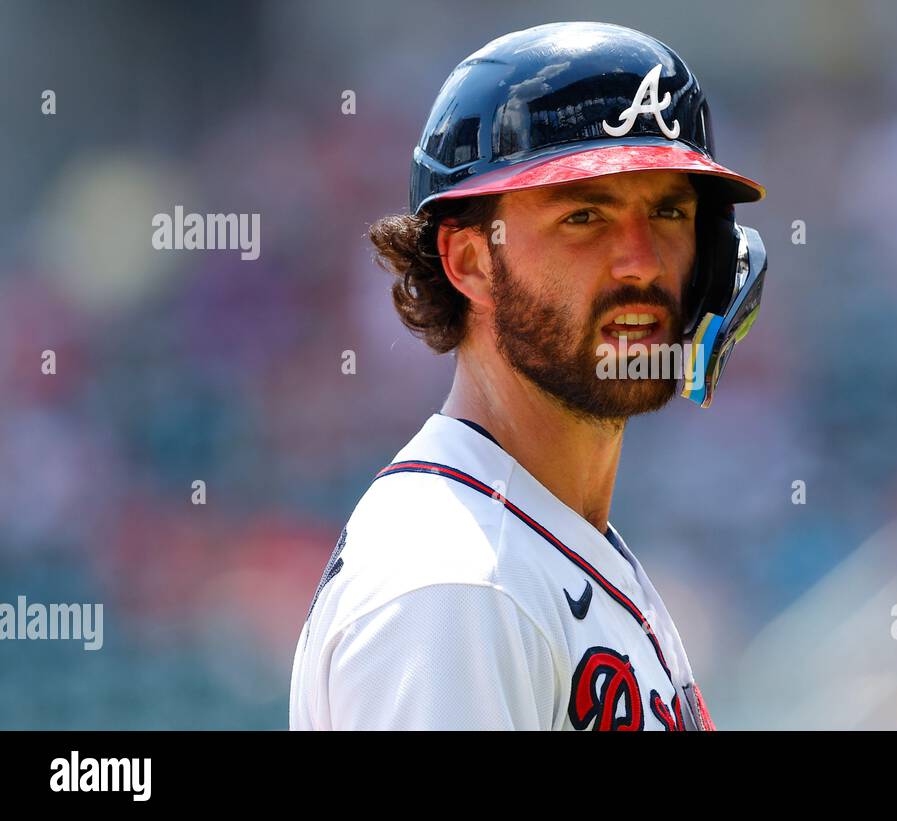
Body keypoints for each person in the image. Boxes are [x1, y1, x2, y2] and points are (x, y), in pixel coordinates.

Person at [289, 21, 767, 730]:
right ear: (470, 261)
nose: (640, 260)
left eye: (668, 210)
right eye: (584, 215)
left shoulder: (546, 541)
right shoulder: (453, 583)